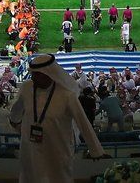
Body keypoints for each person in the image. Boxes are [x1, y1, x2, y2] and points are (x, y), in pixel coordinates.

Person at [8, 54, 106, 182]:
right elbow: (17, 109)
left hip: (57, 148)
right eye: (33, 74)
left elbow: (83, 122)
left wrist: (95, 149)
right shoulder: (26, 87)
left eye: (37, 75)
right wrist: (14, 121)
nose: (33, 78)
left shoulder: (67, 95)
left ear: (49, 74)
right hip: (31, 147)